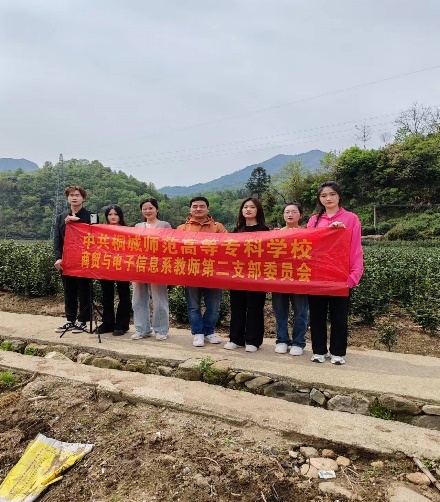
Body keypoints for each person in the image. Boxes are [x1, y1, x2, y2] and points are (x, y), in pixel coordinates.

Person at [307, 181, 363, 365]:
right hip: (318, 275)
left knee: (339, 317)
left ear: (339, 196)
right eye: (323, 195)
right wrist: (327, 231)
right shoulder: (314, 220)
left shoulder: (351, 218)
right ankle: (319, 351)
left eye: (332, 194)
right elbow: (309, 246)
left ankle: (338, 352)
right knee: (317, 316)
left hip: (341, 276)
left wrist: (354, 274)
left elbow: (355, 247)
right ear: (319, 199)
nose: (328, 198)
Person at [177, 196, 227, 347]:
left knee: (214, 306)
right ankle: (198, 333)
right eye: (195, 206)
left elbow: (228, 245)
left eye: (202, 206)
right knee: (193, 306)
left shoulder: (218, 227)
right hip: (191, 272)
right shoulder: (182, 228)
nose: (198, 209)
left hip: (213, 272)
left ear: (208, 209)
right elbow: (175, 249)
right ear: (190, 209)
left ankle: (209, 331)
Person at [224, 197, 270, 353]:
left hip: (257, 275)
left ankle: (253, 340)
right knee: (237, 307)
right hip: (238, 274)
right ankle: (235, 339)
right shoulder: (237, 230)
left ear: (258, 210)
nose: (248, 210)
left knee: (255, 308)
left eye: (252, 207)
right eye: (245, 207)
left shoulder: (265, 230)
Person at [54, 185, 94, 333]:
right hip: (67, 260)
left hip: (84, 259)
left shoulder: (92, 216)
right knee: (69, 291)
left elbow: (96, 234)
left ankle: (82, 320)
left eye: (77, 195)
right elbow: (57, 239)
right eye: (71, 195)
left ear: (83, 198)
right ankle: (70, 320)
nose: (74, 197)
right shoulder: (61, 217)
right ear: (67, 198)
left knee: (84, 290)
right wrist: (58, 258)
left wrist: (77, 221)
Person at [131, 198, 171, 341]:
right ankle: (142, 329)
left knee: (159, 299)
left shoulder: (165, 225)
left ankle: (161, 330)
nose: (147, 211)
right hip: (140, 265)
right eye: (145, 209)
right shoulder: (138, 226)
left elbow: (170, 245)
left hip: (158, 266)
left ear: (157, 209)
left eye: (150, 208)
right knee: (138, 299)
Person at [272, 202, 308, 355]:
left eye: (294, 211)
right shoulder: (275, 234)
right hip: (279, 278)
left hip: (300, 278)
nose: (290, 214)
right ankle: (282, 340)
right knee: (280, 311)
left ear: (300, 215)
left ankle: (299, 342)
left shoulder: (308, 233)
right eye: (287, 212)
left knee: (301, 312)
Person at [97, 205, 131, 336]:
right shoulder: (101, 230)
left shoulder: (127, 231)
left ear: (120, 216)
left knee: (124, 296)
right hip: (106, 266)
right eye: (110, 214)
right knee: (107, 296)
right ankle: (108, 323)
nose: (112, 217)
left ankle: (122, 324)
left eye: (115, 214)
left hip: (123, 267)